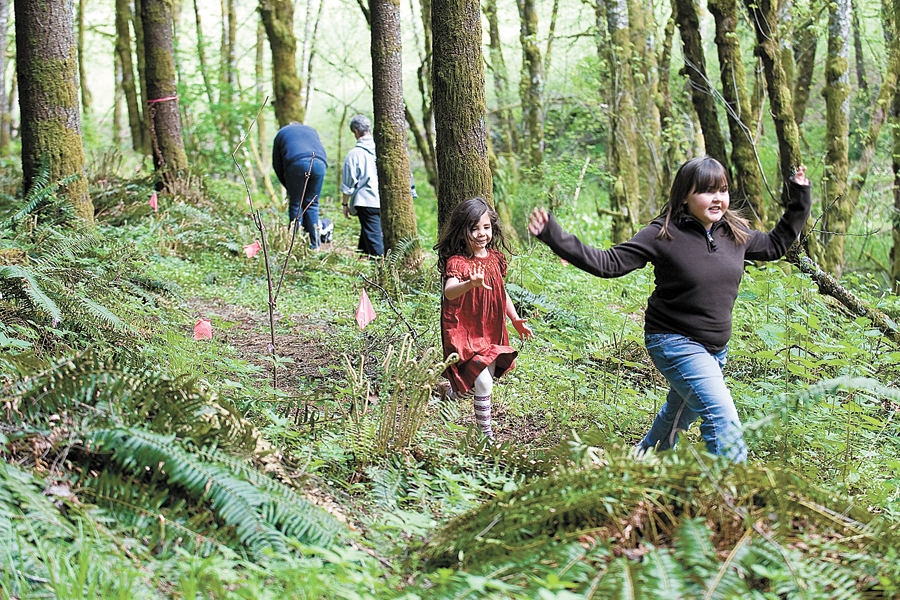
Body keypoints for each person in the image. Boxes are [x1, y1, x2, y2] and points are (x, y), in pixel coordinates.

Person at [527, 157, 811, 462]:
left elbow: (777, 244)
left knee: (678, 415)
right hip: (673, 341)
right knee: (721, 417)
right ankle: (734, 494)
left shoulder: (734, 233)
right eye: (707, 191)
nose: (718, 198)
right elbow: (608, 263)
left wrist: (799, 196)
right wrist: (553, 235)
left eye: (723, 190)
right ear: (684, 196)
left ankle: (642, 461)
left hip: (715, 349)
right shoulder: (661, 235)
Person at [435, 197, 535, 440]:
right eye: (474, 228)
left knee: (477, 385)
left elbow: (501, 291)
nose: (481, 234)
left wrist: (515, 318)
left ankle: (448, 394)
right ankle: (486, 438)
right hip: (464, 329)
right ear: (462, 232)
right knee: (483, 384)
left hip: (490, 329)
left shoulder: (495, 258)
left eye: (486, 227)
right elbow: (449, 291)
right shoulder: (457, 262)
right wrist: (470, 283)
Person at [272, 122, 328, 249]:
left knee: (296, 203)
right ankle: (315, 245)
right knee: (312, 204)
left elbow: (277, 164)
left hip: (296, 162)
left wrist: (289, 186)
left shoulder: (282, 133)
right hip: (320, 162)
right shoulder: (311, 129)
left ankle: (295, 243)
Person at [341, 115, 384, 257]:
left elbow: (348, 183)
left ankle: (381, 270)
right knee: (370, 230)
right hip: (384, 199)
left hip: (366, 201)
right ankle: (361, 259)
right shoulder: (384, 149)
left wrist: (345, 203)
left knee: (374, 238)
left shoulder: (354, 154)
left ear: (355, 131)